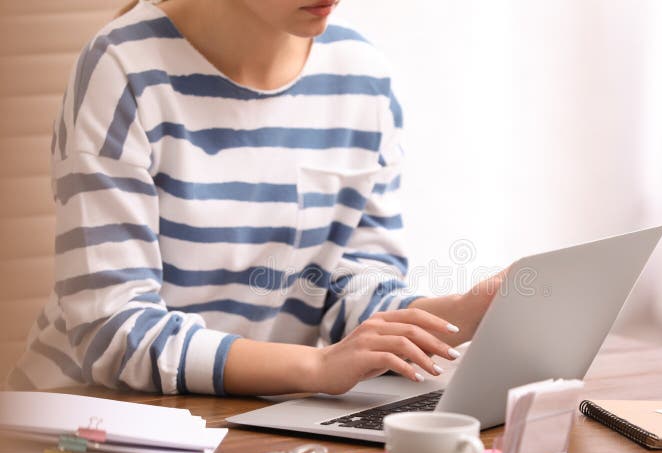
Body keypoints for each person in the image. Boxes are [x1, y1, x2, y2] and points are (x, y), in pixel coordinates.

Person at [8, 0, 502, 397]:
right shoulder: (123, 67)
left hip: (241, 419)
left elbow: (349, 287)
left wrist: (462, 314)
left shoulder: (362, 76)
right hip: (80, 428)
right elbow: (113, 331)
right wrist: (315, 367)